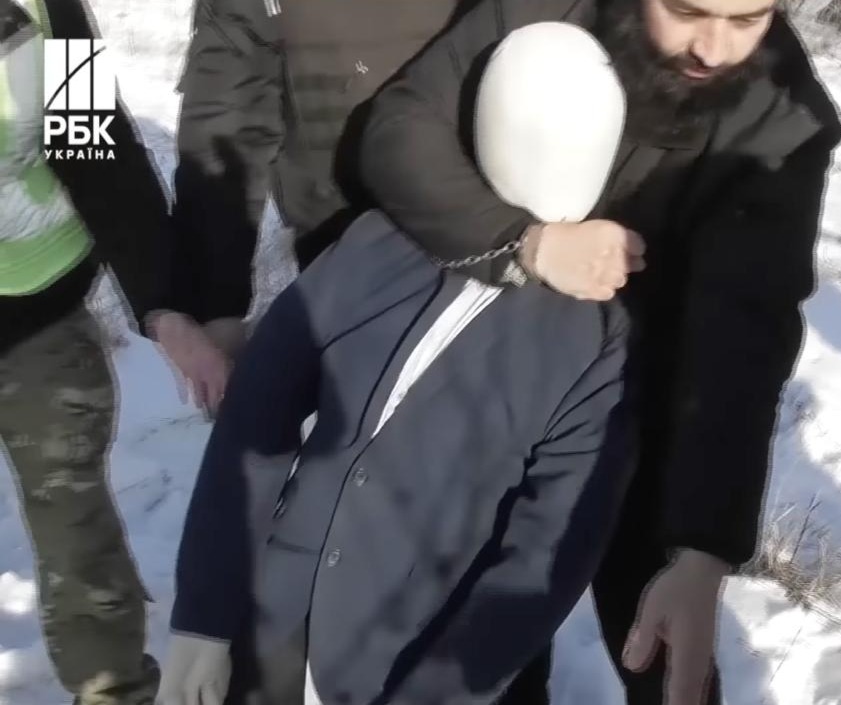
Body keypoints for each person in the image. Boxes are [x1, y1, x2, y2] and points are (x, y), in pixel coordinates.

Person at [355, 1, 841, 703]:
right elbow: (401, 130)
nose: (713, 47)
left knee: (664, 658)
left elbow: (743, 330)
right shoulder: (544, 8)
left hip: (647, 421)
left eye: (747, 19)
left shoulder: (781, 119)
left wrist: (702, 547)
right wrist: (523, 242)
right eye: (686, 10)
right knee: (484, 656)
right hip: (489, 393)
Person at [157, 23, 637, 705]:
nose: (553, 156)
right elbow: (255, 419)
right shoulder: (375, 245)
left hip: (414, 648)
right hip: (278, 625)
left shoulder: (594, 344)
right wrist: (205, 614)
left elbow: (545, 555)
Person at [0, 0, 218, 701]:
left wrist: (162, 302)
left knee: (73, 526)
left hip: (39, 305)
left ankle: (113, 691)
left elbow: (93, 145)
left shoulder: (45, 6)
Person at [168, 0, 484, 368]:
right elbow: (226, 121)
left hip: (488, 242)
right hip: (360, 252)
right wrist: (215, 300)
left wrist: (215, 306)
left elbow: (225, 120)